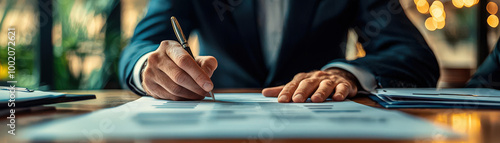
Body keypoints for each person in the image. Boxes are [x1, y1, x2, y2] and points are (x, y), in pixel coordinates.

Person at [119, 0, 440, 103]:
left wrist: (346, 73)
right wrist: (151, 67)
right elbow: (140, 48)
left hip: (324, 127)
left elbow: (412, 54)